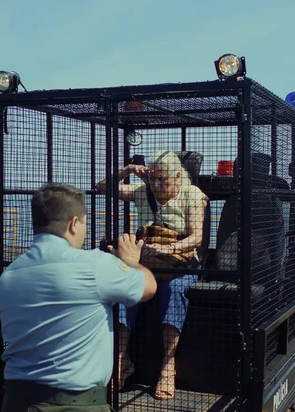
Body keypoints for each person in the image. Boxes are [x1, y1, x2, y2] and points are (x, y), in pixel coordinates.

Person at [0, 183, 157, 412]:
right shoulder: (95, 265)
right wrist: (129, 261)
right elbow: (148, 287)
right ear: (73, 224)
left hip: (16, 401)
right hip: (74, 404)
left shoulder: (7, 279)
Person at [95, 150, 208, 400]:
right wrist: (126, 171)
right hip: (147, 265)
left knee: (176, 291)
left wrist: (169, 249)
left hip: (179, 266)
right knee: (126, 290)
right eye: (153, 179)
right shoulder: (142, 191)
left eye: (163, 180)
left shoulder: (192, 195)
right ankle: (122, 360)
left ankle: (168, 366)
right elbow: (101, 188)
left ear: (178, 177)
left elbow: (197, 237)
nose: (156, 185)